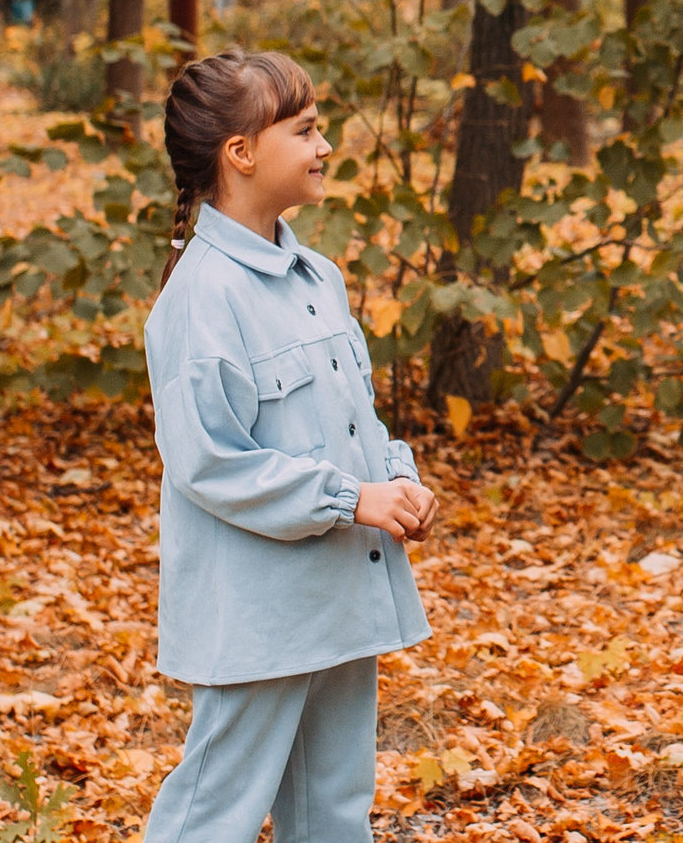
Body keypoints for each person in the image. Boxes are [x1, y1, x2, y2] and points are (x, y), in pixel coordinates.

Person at [141, 50, 438, 843]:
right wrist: (352, 498)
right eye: (304, 130)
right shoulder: (201, 297)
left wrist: (396, 477)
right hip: (257, 617)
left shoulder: (319, 278)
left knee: (334, 811)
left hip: (340, 597)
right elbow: (211, 462)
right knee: (215, 813)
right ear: (240, 152)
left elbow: (356, 416)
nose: (324, 144)